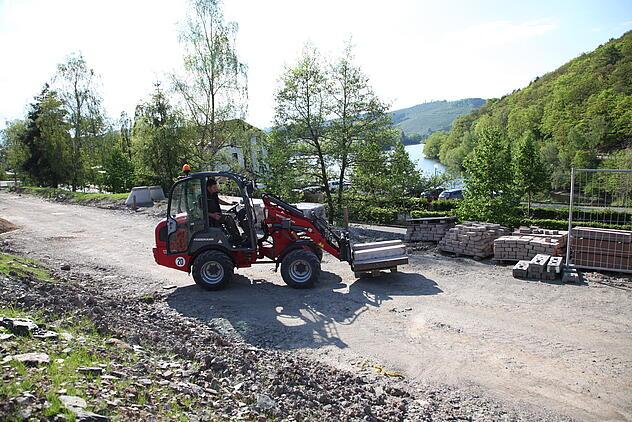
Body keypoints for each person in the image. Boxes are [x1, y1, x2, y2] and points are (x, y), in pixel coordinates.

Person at [206, 178, 243, 244]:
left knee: (229, 216)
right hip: (210, 218)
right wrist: (212, 215)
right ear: (209, 188)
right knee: (228, 218)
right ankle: (237, 238)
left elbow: (219, 201)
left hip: (217, 215)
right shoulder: (203, 197)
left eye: (216, 187)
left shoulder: (213, 194)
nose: (216, 189)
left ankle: (234, 236)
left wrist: (229, 204)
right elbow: (200, 212)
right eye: (214, 187)